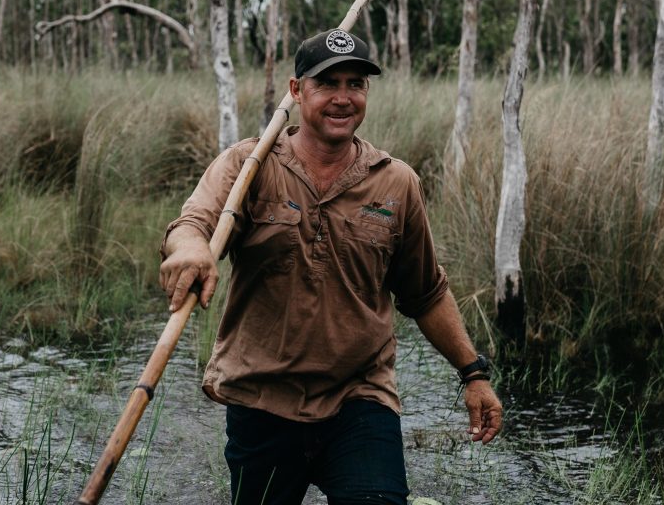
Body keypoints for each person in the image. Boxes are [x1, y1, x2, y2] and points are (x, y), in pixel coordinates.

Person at [159, 28, 502, 505]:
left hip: (359, 398)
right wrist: (192, 249)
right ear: (297, 91)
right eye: (328, 83)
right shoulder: (250, 165)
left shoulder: (396, 183)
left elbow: (426, 293)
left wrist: (474, 374)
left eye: (356, 84)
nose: (343, 98)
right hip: (262, 398)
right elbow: (192, 224)